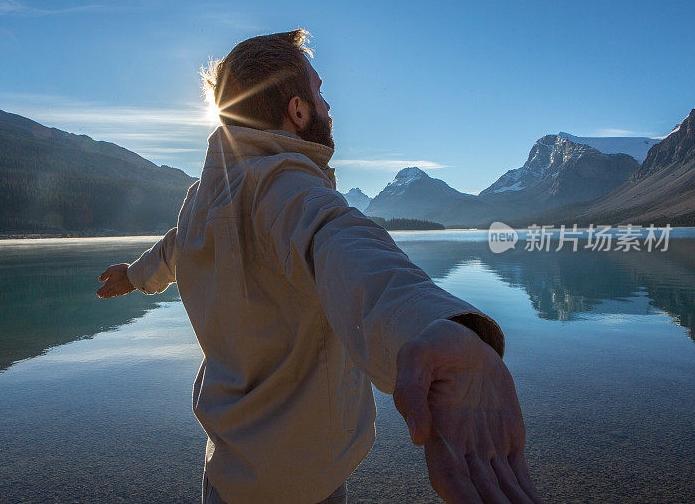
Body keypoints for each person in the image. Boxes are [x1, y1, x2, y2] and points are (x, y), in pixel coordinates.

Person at [96, 29, 541, 504]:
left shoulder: (202, 202)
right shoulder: (284, 185)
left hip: (228, 469)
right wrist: (435, 322)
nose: (328, 107)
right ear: (298, 110)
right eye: (320, 91)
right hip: (303, 477)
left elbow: (176, 249)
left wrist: (134, 277)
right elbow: (341, 239)